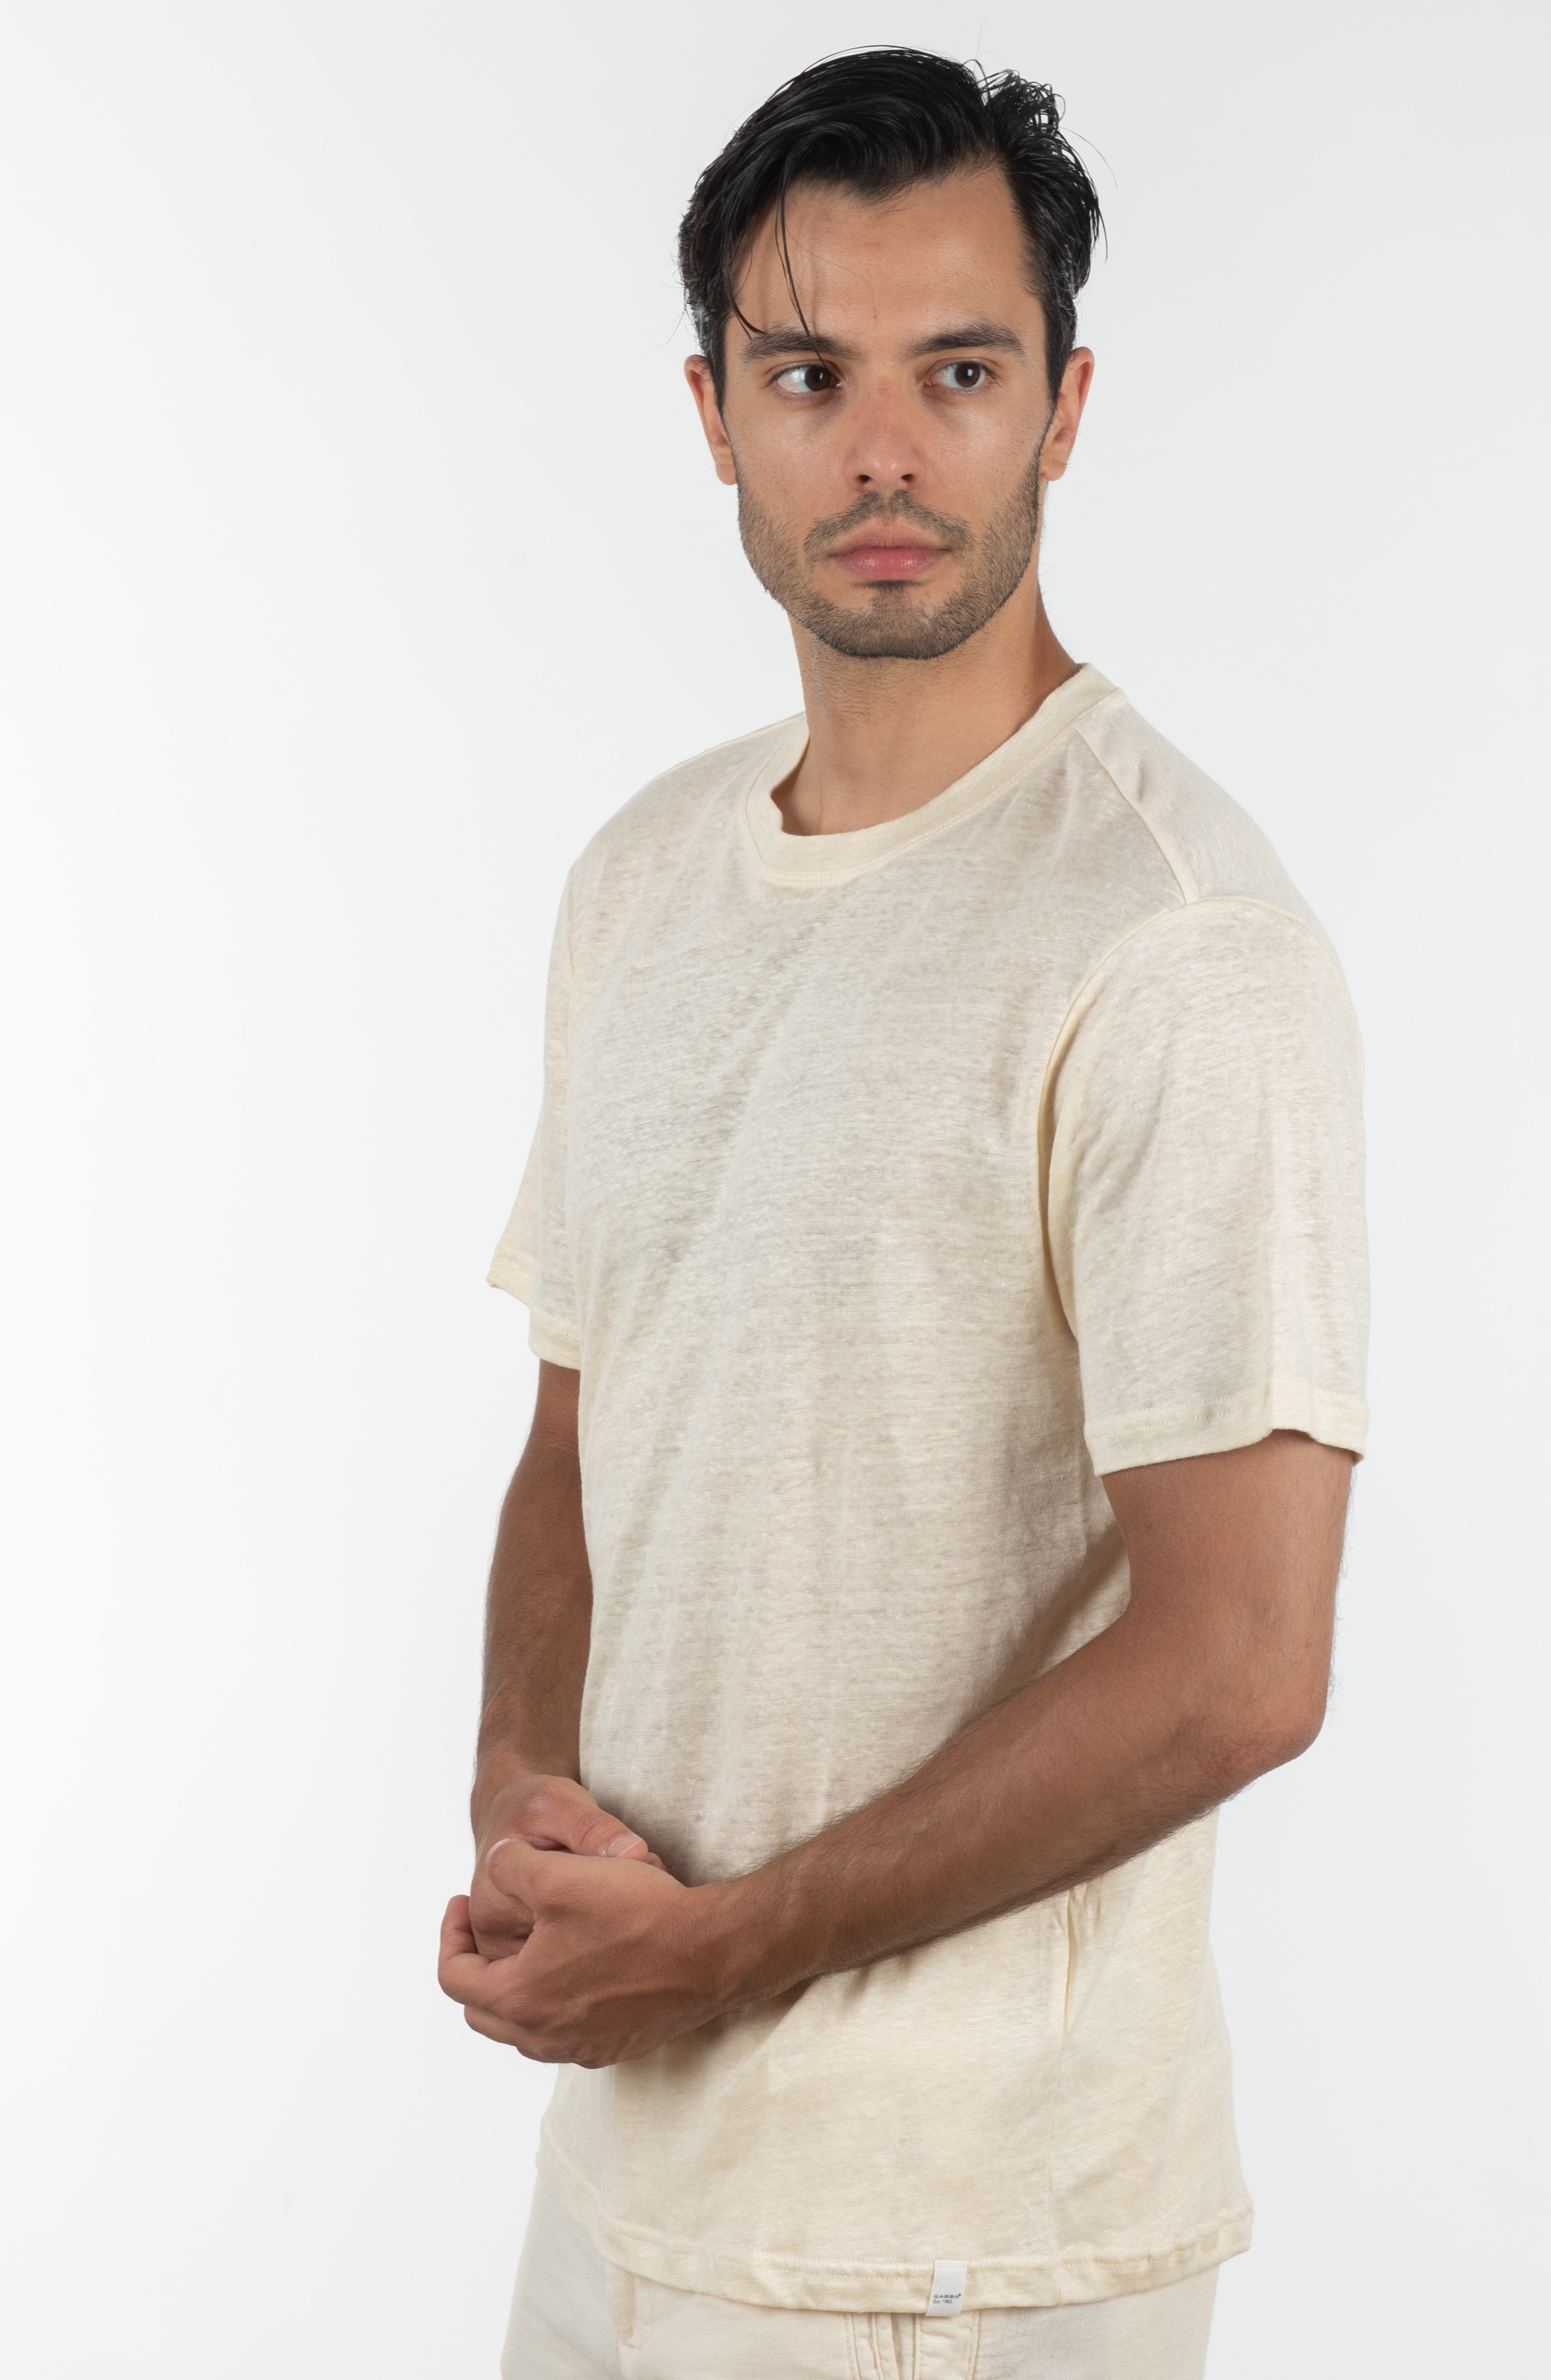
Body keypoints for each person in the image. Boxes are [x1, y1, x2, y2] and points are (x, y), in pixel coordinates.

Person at [439, 47, 1368, 2380]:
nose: (882, 452)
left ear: (1063, 405)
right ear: (711, 412)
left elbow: (1243, 1661)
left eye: (957, 372)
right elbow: (581, 1426)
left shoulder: (1172, 936)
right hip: (629, 2169)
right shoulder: (645, 877)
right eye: (808, 375)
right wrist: (523, 1797)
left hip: (955, 2245)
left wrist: (725, 1942)